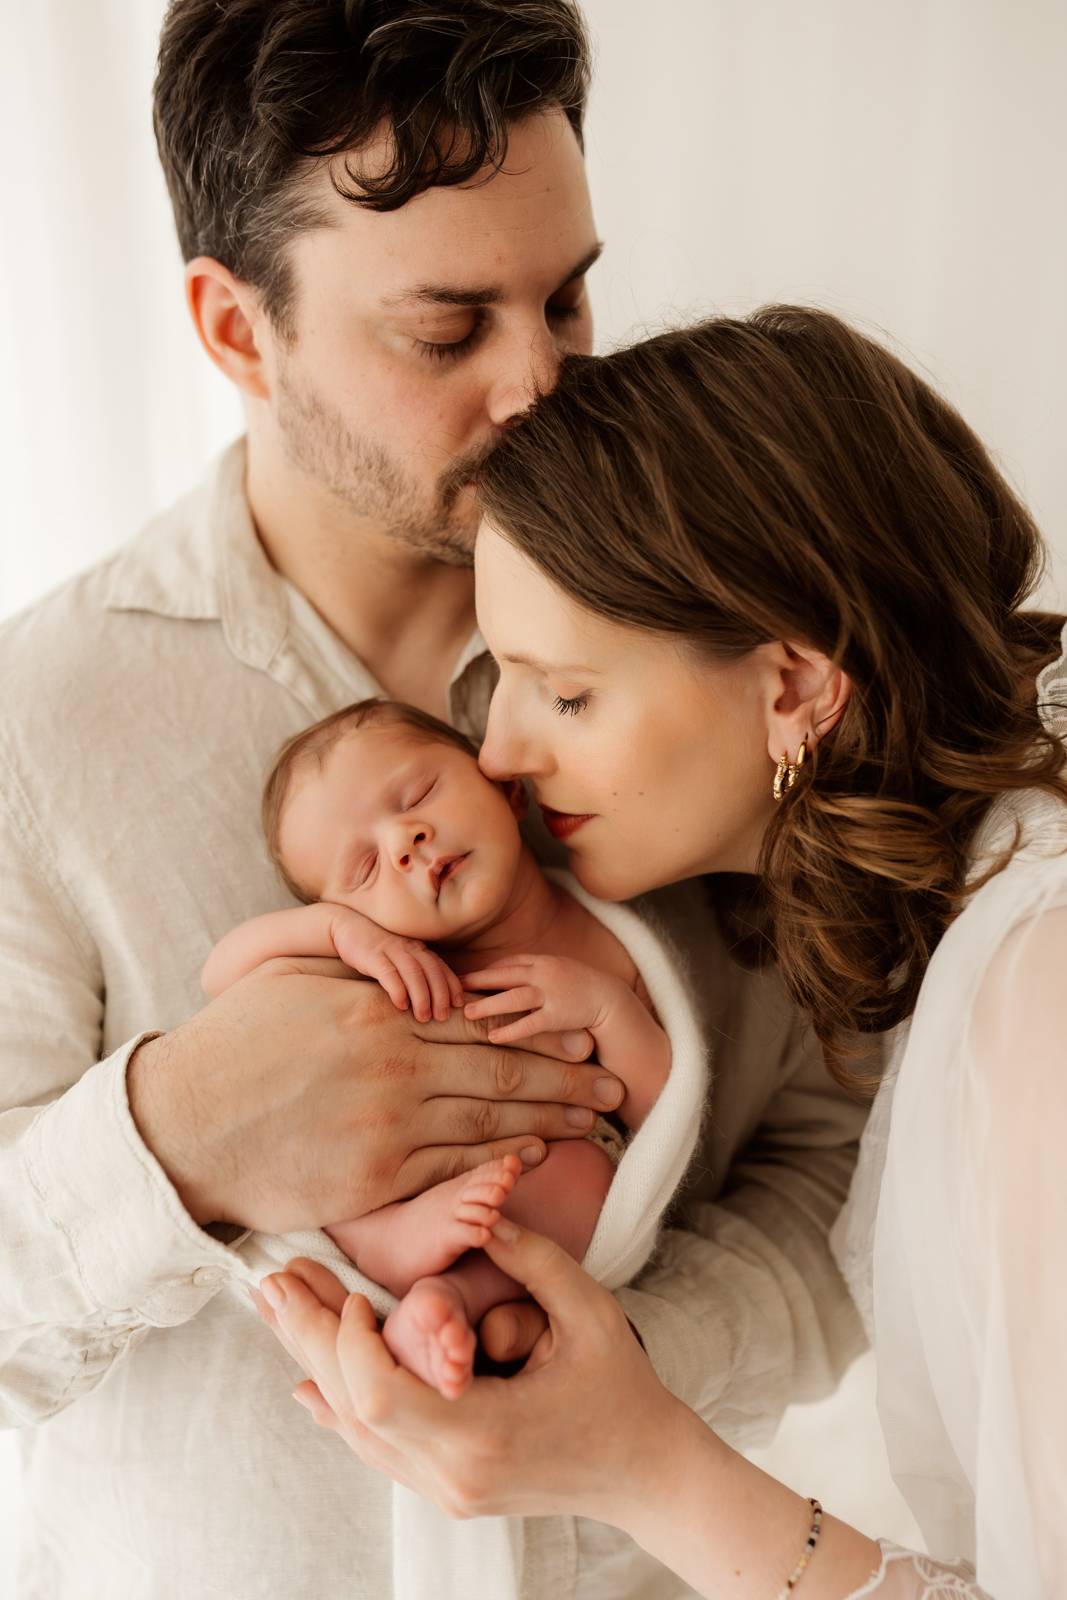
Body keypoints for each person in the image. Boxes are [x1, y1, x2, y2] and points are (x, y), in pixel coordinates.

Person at [0, 5, 866, 1597]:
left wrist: (623, 1367)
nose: (543, 387)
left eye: (567, 296)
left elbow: (834, 1156)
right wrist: (174, 1140)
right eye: (447, 329)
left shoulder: (722, 648)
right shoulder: (34, 734)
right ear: (234, 330)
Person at [254, 307, 1067, 1599]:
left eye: (564, 693)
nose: (501, 758)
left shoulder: (1038, 997)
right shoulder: (968, 928)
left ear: (793, 688)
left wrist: (637, 1463)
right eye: (498, 684)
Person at [203, 695, 673, 1398]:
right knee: (317, 1121)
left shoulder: (601, 942)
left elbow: (659, 1106)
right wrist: (339, 938)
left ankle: (446, 1305)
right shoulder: (388, 963)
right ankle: (382, 1242)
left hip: (537, 1181)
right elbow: (223, 979)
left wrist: (608, 1010)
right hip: (389, 1182)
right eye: (364, 869)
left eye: (418, 794)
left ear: (504, 787)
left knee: (580, 1182)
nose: (405, 840)